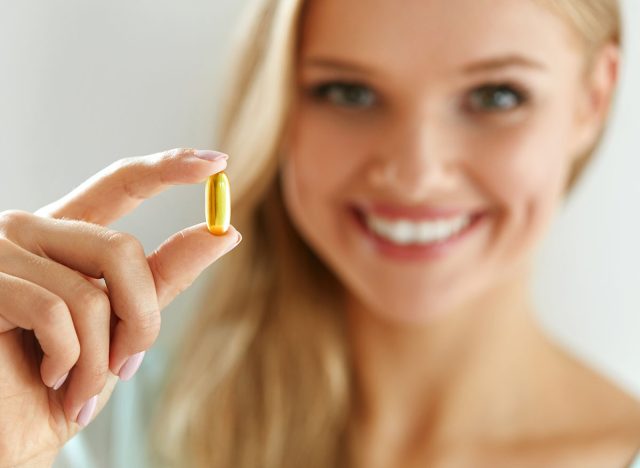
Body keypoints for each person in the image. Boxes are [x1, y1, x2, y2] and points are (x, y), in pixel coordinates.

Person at [2, 0, 639, 466]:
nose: (415, 175)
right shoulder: (93, 422)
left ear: (592, 98)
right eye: (348, 92)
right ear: (278, 106)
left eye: (497, 97)